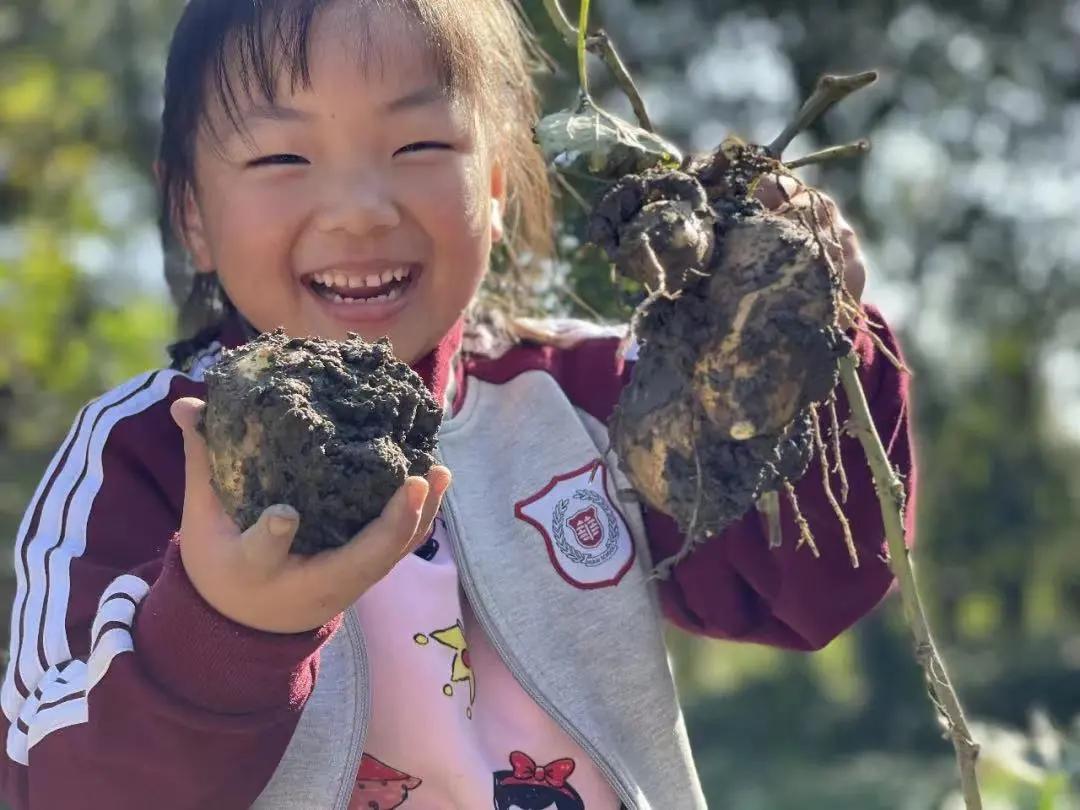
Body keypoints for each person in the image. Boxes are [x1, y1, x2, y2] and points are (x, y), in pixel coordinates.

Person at [0, 1, 915, 808]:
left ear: (496, 180)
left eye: (420, 146)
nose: (360, 209)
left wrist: (811, 350)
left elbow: (808, 586)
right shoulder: (150, 458)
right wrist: (222, 630)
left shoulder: (593, 396)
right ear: (191, 210)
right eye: (283, 155)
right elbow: (56, 786)